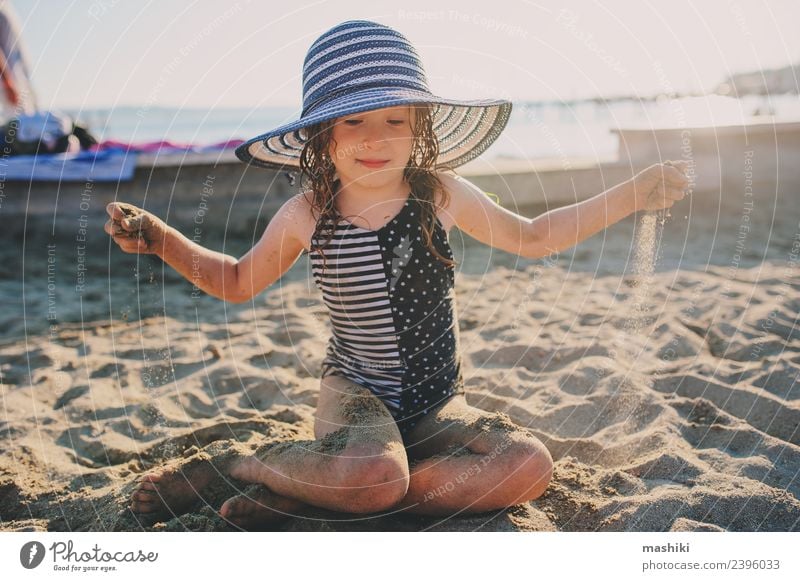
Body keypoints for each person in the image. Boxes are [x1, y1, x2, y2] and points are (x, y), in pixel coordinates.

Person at [105, 20, 691, 529]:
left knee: (529, 465)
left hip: (439, 403)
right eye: (353, 121)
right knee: (375, 471)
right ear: (323, 134)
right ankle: (237, 466)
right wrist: (161, 239)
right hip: (355, 398)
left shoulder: (439, 195)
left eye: (394, 119)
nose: (376, 138)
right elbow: (235, 280)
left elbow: (534, 237)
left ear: (419, 126)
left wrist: (631, 195)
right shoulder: (308, 214)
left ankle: (318, 500)